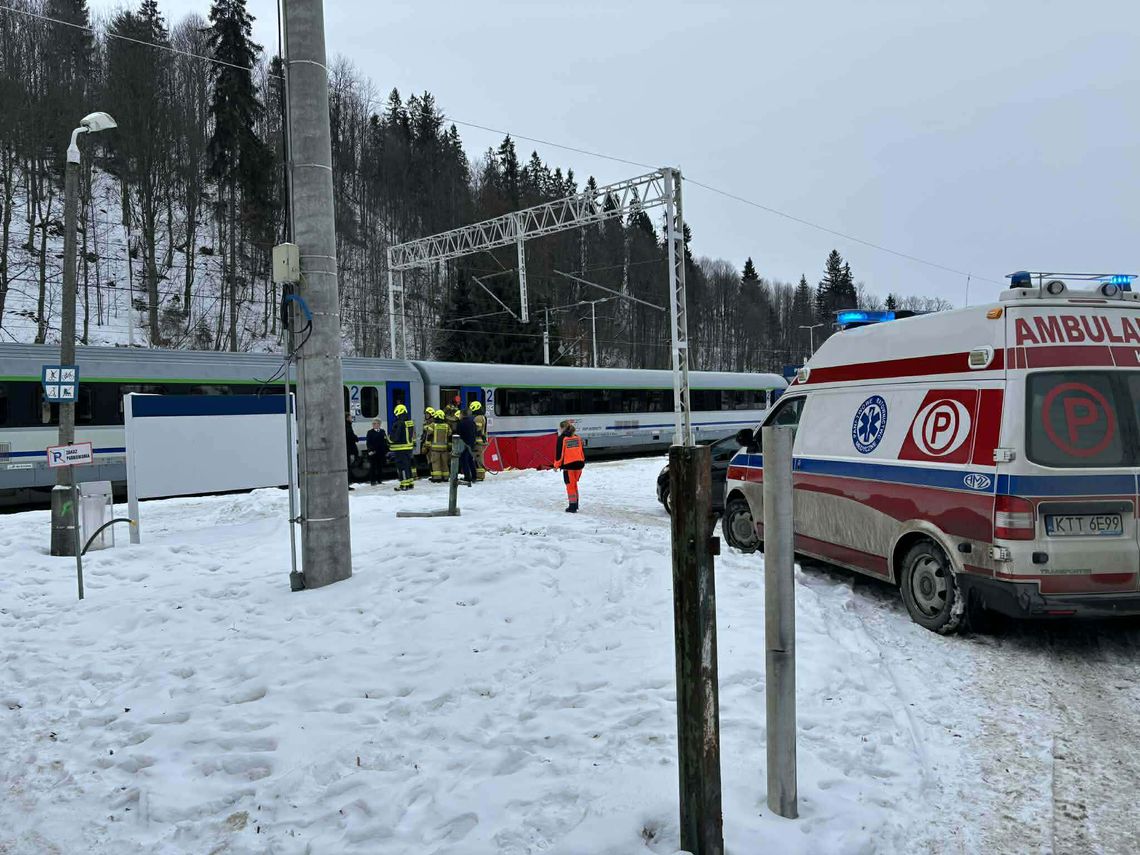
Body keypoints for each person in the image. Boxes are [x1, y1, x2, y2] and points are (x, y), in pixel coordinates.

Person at [554, 420, 586, 512]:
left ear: (563, 428)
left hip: (569, 466)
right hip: (579, 465)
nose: (559, 429)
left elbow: (559, 454)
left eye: (560, 428)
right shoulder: (577, 437)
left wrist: (556, 465)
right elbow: (582, 451)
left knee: (570, 486)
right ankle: (575, 504)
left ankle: (572, 507)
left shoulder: (562, 438)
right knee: (574, 485)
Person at [389, 404, 416, 491]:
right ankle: (410, 483)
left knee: (401, 467)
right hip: (408, 448)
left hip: (400, 449)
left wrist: (388, 439)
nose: (396, 415)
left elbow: (395, 437)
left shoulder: (398, 423)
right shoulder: (410, 422)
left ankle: (404, 484)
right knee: (407, 465)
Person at [457, 407, 478, 484]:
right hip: (471, 444)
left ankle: (467, 477)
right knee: (470, 460)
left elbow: (458, 434)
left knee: (464, 461)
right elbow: (475, 432)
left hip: (464, 444)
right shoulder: (472, 422)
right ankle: (474, 476)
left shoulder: (460, 423)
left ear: (462, 414)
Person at [366, 419, 390, 486]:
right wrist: (370, 450)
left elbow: (385, 441)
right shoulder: (370, 432)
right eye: (373, 424)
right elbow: (368, 442)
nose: (374, 425)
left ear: (379, 424)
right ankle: (372, 481)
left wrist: (387, 450)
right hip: (373, 452)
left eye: (375, 423)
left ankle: (379, 480)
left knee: (380, 466)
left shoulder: (382, 431)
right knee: (373, 467)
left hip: (381, 452)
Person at [429, 409, 451, 482]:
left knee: (436, 463)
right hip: (444, 449)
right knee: (444, 463)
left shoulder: (432, 425)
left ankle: (437, 477)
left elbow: (429, 435)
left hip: (435, 449)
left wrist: (426, 445)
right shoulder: (447, 426)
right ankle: (446, 477)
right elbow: (450, 435)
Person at [470, 400, 488, 481]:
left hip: (478, 441)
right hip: (479, 441)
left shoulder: (478, 418)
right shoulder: (481, 417)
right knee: (477, 458)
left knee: (478, 459)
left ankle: (480, 475)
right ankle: (478, 474)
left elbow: (477, 429)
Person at [345, 413, 359, 491]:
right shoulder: (348, 426)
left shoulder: (345, 425)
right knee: (348, 466)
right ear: (347, 418)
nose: (351, 418)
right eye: (350, 417)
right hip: (349, 449)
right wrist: (356, 438)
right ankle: (347, 484)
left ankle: (347, 484)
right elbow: (350, 436)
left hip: (347, 449)